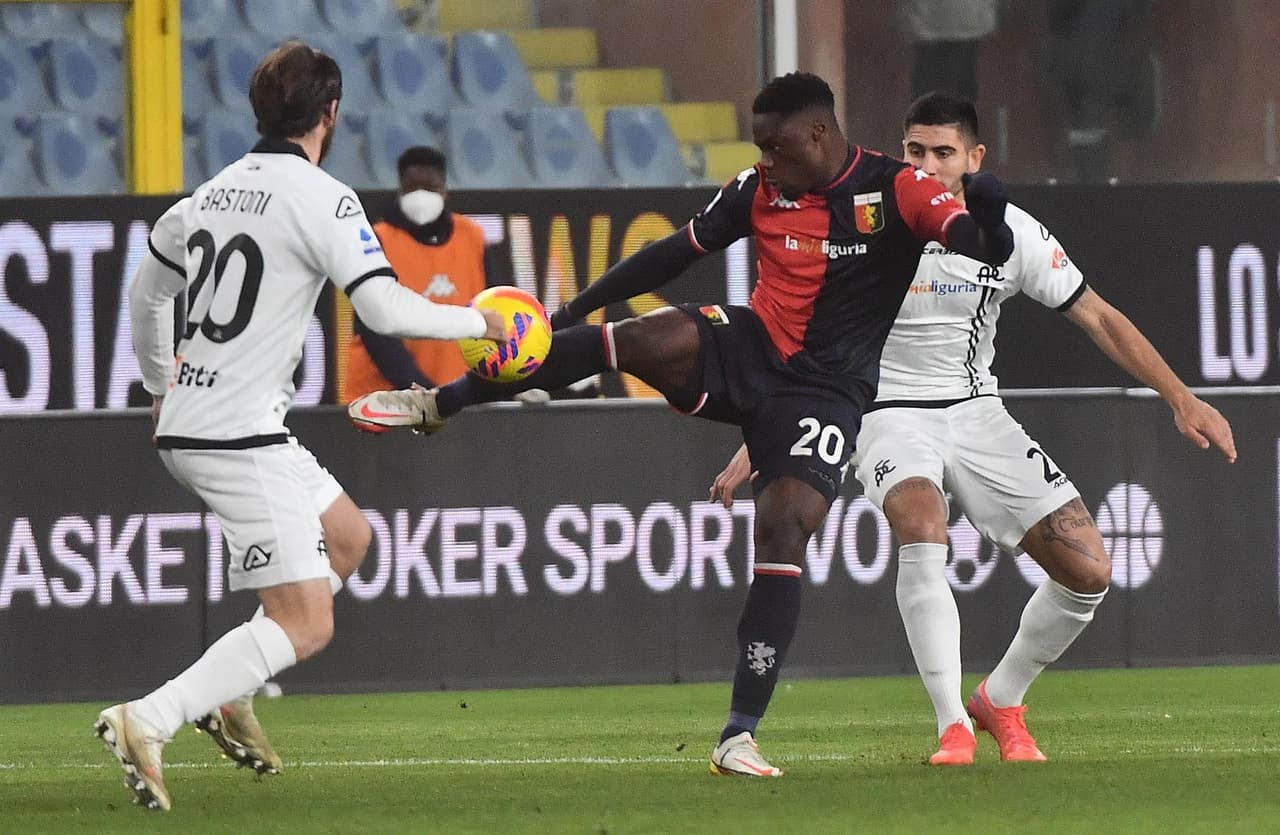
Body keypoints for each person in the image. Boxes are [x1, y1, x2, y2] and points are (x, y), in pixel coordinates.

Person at [348, 73, 1017, 776]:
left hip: (826, 391)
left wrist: (994, 222)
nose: (764, 159)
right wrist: (566, 316)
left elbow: (974, 240)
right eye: (757, 145)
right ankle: (439, 403)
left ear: (819, 134)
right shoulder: (758, 189)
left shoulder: (896, 188)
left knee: (785, 523)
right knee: (645, 336)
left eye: (775, 144)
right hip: (754, 345)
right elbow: (671, 254)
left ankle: (738, 733)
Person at [708, 92, 1237, 766]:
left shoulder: (1009, 233)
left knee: (1089, 570)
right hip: (883, 409)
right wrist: (758, 441)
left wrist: (1181, 397)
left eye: (943, 152)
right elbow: (804, 347)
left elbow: (1099, 316)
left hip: (975, 408)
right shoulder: (866, 222)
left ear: (975, 159)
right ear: (901, 151)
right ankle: (953, 723)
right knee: (921, 519)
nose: (927, 164)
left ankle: (1002, 698)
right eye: (915, 150)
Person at [100, 41, 505, 811]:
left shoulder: (209, 193)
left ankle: (233, 690)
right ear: (331, 114)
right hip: (234, 434)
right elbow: (382, 308)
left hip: (214, 419)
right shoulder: (324, 197)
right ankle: (147, 718)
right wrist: (479, 319)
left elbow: (144, 296)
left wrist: (160, 385)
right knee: (307, 622)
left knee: (349, 538)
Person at [341, 145, 488, 402]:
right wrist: (421, 389)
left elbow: (496, 311)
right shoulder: (377, 240)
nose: (420, 196)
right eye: (411, 187)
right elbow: (375, 330)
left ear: (444, 189)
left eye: (429, 187)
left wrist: (511, 380)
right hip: (381, 400)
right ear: (400, 190)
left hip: (454, 396)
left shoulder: (473, 237)